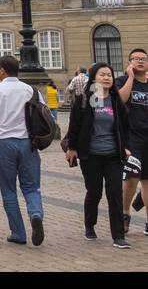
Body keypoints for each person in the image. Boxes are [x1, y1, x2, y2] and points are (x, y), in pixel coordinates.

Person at [0, 55, 45, 246]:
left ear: (2, 71)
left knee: (9, 190)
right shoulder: (31, 90)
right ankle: (36, 214)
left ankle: (18, 233)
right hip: (28, 143)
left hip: (5, 144)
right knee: (31, 187)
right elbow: (43, 113)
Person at [63, 62, 130, 248]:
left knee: (115, 193)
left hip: (113, 156)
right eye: (102, 74)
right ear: (94, 78)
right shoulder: (85, 100)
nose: (107, 78)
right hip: (90, 155)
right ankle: (89, 224)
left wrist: (125, 146)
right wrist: (72, 147)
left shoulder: (116, 101)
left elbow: (125, 126)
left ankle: (118, 236)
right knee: (94, 192)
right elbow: (74, 126)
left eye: (109, 75)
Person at [115, 48, 148, 237]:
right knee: (132, 176)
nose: (140, 62)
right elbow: (120, 99)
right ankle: (125, 213)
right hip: (131, 137)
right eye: (135, 59)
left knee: (147, 181)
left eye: (143, 59)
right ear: (129, 63)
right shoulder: (122, 81)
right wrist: (130, 78)